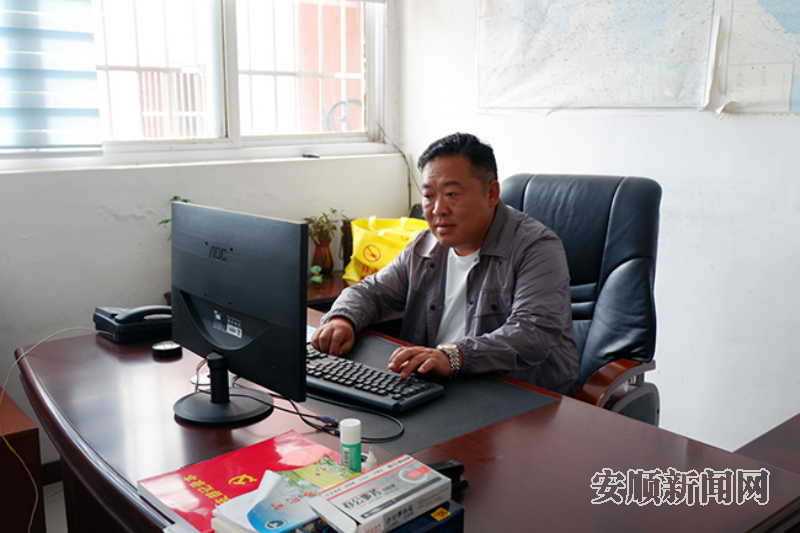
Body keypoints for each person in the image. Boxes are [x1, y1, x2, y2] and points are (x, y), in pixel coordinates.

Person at [311, 133, 580, 395]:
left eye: (451, 194)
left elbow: (533, 332)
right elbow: (372, 291)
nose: (438, 209)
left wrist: (453, 356)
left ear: (491, 193)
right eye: (429, 196)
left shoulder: (537, 247)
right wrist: (342, 319)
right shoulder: (425, 245)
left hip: (521, 395)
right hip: (440, 386)